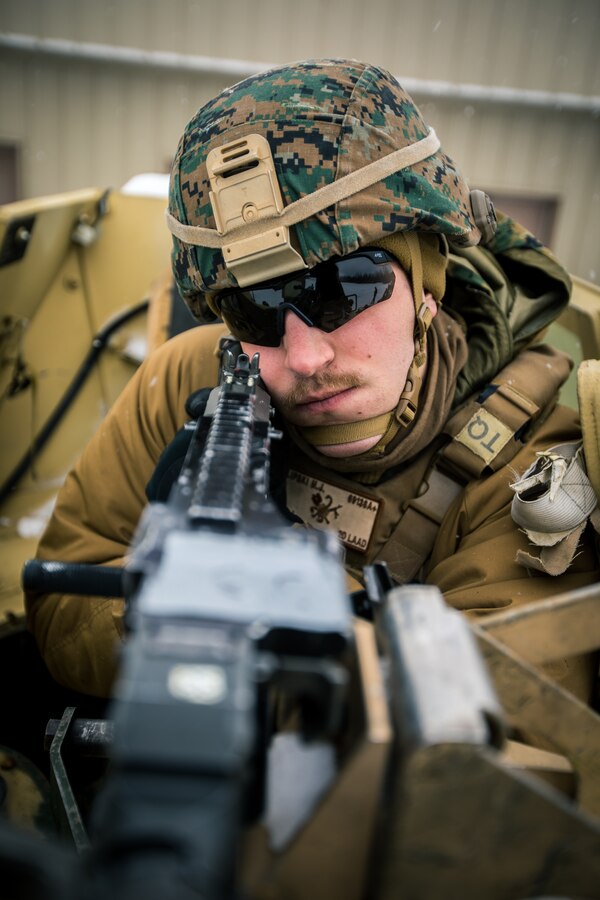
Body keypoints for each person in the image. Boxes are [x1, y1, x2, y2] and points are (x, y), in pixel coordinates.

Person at [25, 58, 599, 699]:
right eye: (256, 309)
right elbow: (57, 607)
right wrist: (155, 592)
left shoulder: (536, 475)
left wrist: (286, 591)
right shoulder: (188, 380)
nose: (303, 357)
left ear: (427, 282)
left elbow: (492, 748)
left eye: (344, 290)